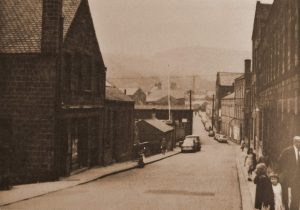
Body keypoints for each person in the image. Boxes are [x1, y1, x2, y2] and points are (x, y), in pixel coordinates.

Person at [278, 136, 300, 210]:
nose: (299, 144)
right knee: (286, 194)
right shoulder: (287, 151)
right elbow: (280, 160)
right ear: (295, 142)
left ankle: (294, 208)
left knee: (296, 194)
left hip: (297, 178)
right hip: (288, 176)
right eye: (298, 142)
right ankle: (286, 208)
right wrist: (284, 171)